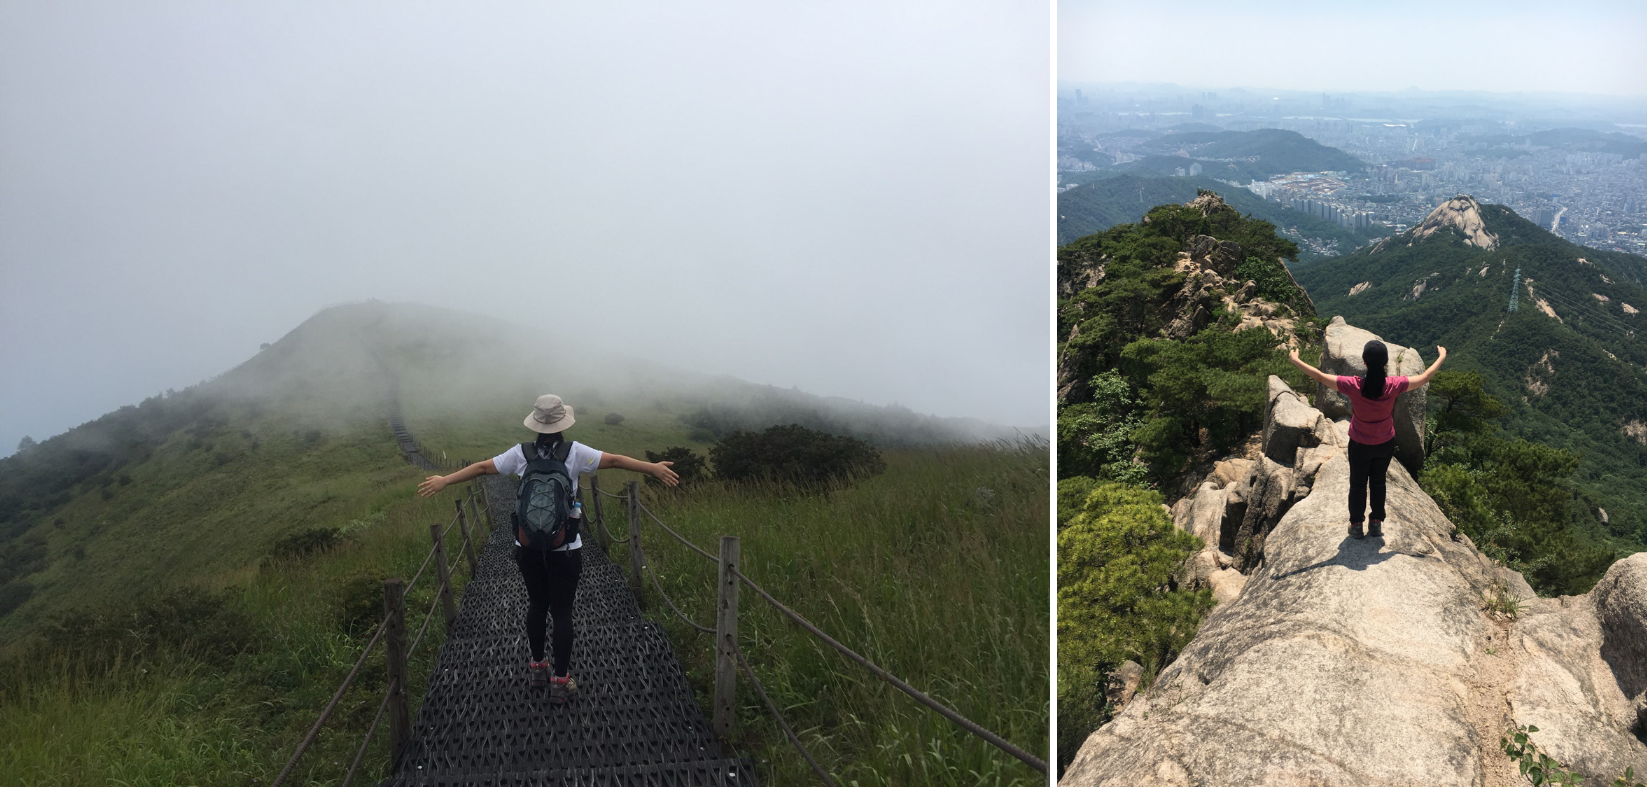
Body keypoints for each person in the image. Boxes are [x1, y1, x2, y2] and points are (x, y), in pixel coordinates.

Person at [417, 394, 680, 701]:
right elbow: (616, 461)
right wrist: (653, 468)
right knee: (563, 612)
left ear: (536, 424)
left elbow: (481, 469)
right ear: (562, 423)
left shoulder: (521, 453)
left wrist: (444, 480)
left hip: (527, 547)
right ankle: (560, 680)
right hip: (566, 547)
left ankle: (538, 667)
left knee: (537, 606)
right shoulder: (575, 452)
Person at [1287, 341, 1446, 539]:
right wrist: (1441, 357)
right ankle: (1376, 523)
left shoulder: (1353, 385)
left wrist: (1295, 360)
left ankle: (1356, 524)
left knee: (1358, 484)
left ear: (1364, 362)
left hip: (1360, 445)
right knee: (1378, 483)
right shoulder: (1393, 385)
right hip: (1384, 444)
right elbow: (1424, 378)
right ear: (1386, 363)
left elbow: (1320, 376)